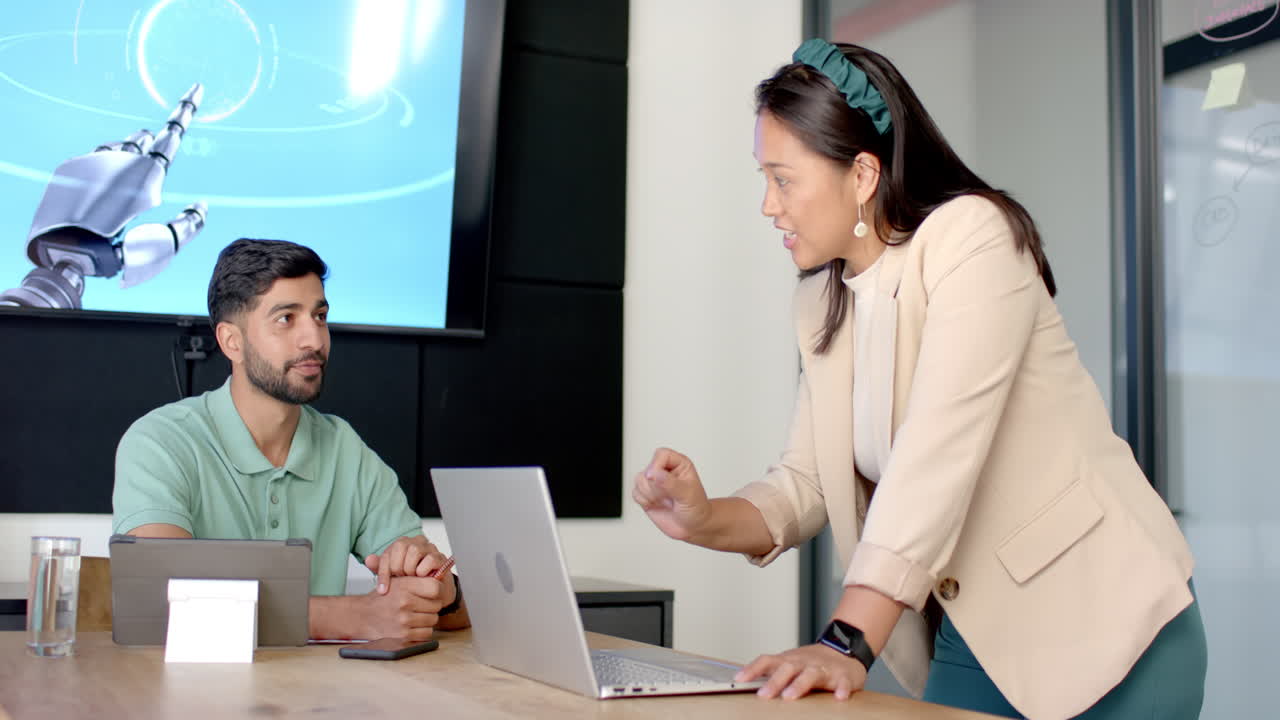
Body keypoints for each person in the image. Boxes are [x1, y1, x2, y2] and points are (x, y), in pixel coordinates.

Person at [632, 39, 1206, 720]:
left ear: (863, 175)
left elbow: (937, 451)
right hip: (975, 637)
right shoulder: (824, 301)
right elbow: (806, 483)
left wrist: (844, 641)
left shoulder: (972, 238)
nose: (768, 205)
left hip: (1107, 625)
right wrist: (705, 518)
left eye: (783, 179)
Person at [113, 238, 467, 641]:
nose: (313, 340)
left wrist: (439, 589)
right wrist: (350, 617)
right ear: (232, 341)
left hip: (317, 699)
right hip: (192, 693)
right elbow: (158, 598)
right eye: (286, 318)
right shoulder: (161, 441)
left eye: (319, 316)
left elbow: (455, 611)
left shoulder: (344, 448)